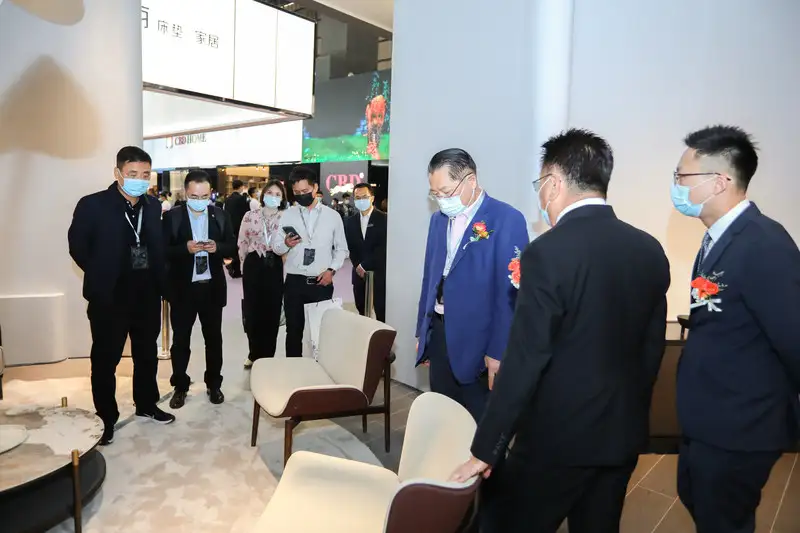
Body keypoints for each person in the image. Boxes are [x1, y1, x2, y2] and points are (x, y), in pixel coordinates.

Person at [450, 129, 671, 533]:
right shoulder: (649, 249)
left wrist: (486, 449)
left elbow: (525, 358)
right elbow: (651, 349)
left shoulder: (548, 252)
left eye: (540, 184)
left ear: (553, 184)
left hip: (556, 439)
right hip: (620, 433)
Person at [671, 125, 800, 533]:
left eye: (682, 176)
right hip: (710, 423)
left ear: (719, 181)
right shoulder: (718, 240)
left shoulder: (764, 244)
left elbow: (793, 339)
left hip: (741, 428)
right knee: (699, 501)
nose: (676, 186)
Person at [68, 146, 175, 445]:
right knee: (106, 359)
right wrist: (102, 272)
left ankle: (146, 403)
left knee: (146, 354)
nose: (140, 180)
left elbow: (157, 247)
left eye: (145, 174)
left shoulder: (153, 206)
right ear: (118, 173)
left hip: (146, 294)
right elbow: (77, 247)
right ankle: (106, 417)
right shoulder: (93, 205)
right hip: (110, 297)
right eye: (132, 174)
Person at [415, 148, 529, 421]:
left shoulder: (505, 219)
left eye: (446, 192)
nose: (441, 200)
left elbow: (511, 294)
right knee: (443, 419)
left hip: (480, 341)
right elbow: (429, 277)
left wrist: (498, 351)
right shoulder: (438, 221)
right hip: (440, 333)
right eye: (435, 194)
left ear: (471, 181)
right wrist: (423, 332)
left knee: (480, 423)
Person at [162, 170, 236, 409]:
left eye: (204, 196)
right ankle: (180, 386)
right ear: (186, 193)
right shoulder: (172, 217)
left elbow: (232, 246)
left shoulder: (220, 215)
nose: (199, 200)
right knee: (181, 340)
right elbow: (162, 250)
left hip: (211, 288)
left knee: (213, 339)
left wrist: (217, 247)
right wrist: (185, 248)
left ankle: (214, 384)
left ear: (210, 193)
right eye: (194, 196)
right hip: (183, 289)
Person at [270, 166, 349, 358]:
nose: (301, 195)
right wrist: (286, 243)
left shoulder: (332, 216)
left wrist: (331, 270)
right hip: (294, 282)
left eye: (305, 191)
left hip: (321, 281)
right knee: (293, 331)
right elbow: (276, 247)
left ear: (315, 188)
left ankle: (320, 369)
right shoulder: (288, 215)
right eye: (296, 192)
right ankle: (294, 369)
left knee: (321, 332)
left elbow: (342, 249)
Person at [238, 178, 288, 368]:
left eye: (277, 194)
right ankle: (253, 352)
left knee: (272, 311)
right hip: (253, 264)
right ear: (263, 194)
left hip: (274, 264)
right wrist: (243, 265)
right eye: (270, 193)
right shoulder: (250, 215)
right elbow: (242, 241)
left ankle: (267, 356)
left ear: (282, 198)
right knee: (252, 310)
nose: (273, 197)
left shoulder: (286, 217)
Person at [344, 183, 387, 322]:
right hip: (359, 274)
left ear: (372, 198)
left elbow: (383, 247)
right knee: (362, 311)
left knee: (381, 312)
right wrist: (358, 266)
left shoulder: (384, 219)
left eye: (364, 197)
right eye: (357, 198)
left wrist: (365, 265)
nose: (361, 200)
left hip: (379, 273)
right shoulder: (350, 222)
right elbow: (351, 247)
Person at [224, 179, 250, 278]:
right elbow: (246, 213)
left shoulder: (228, 199)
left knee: (233, 248)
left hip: (230, 226)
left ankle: (232, 266)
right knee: (240, 248)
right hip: (239, 226)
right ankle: (237, 269)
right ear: (241, 187)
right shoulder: (242, 198)